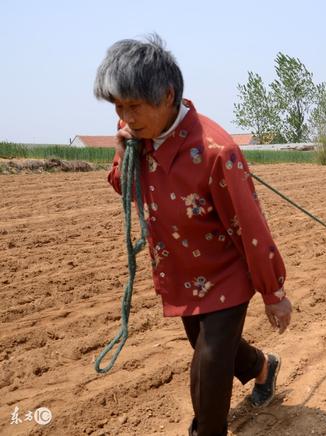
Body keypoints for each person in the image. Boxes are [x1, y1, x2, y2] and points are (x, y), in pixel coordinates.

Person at [94, 35, 292, 436]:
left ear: (167, 96)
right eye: (119, 107)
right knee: (209, 348)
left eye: (134, 106)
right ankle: (262, 367)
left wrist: (274, 293)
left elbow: (250, 227)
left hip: (225, 270)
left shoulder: (217, 151)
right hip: (181, 270)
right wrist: (120, 151)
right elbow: (125, 185)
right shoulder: (136, 136)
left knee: (210, 362)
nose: (126, 117)